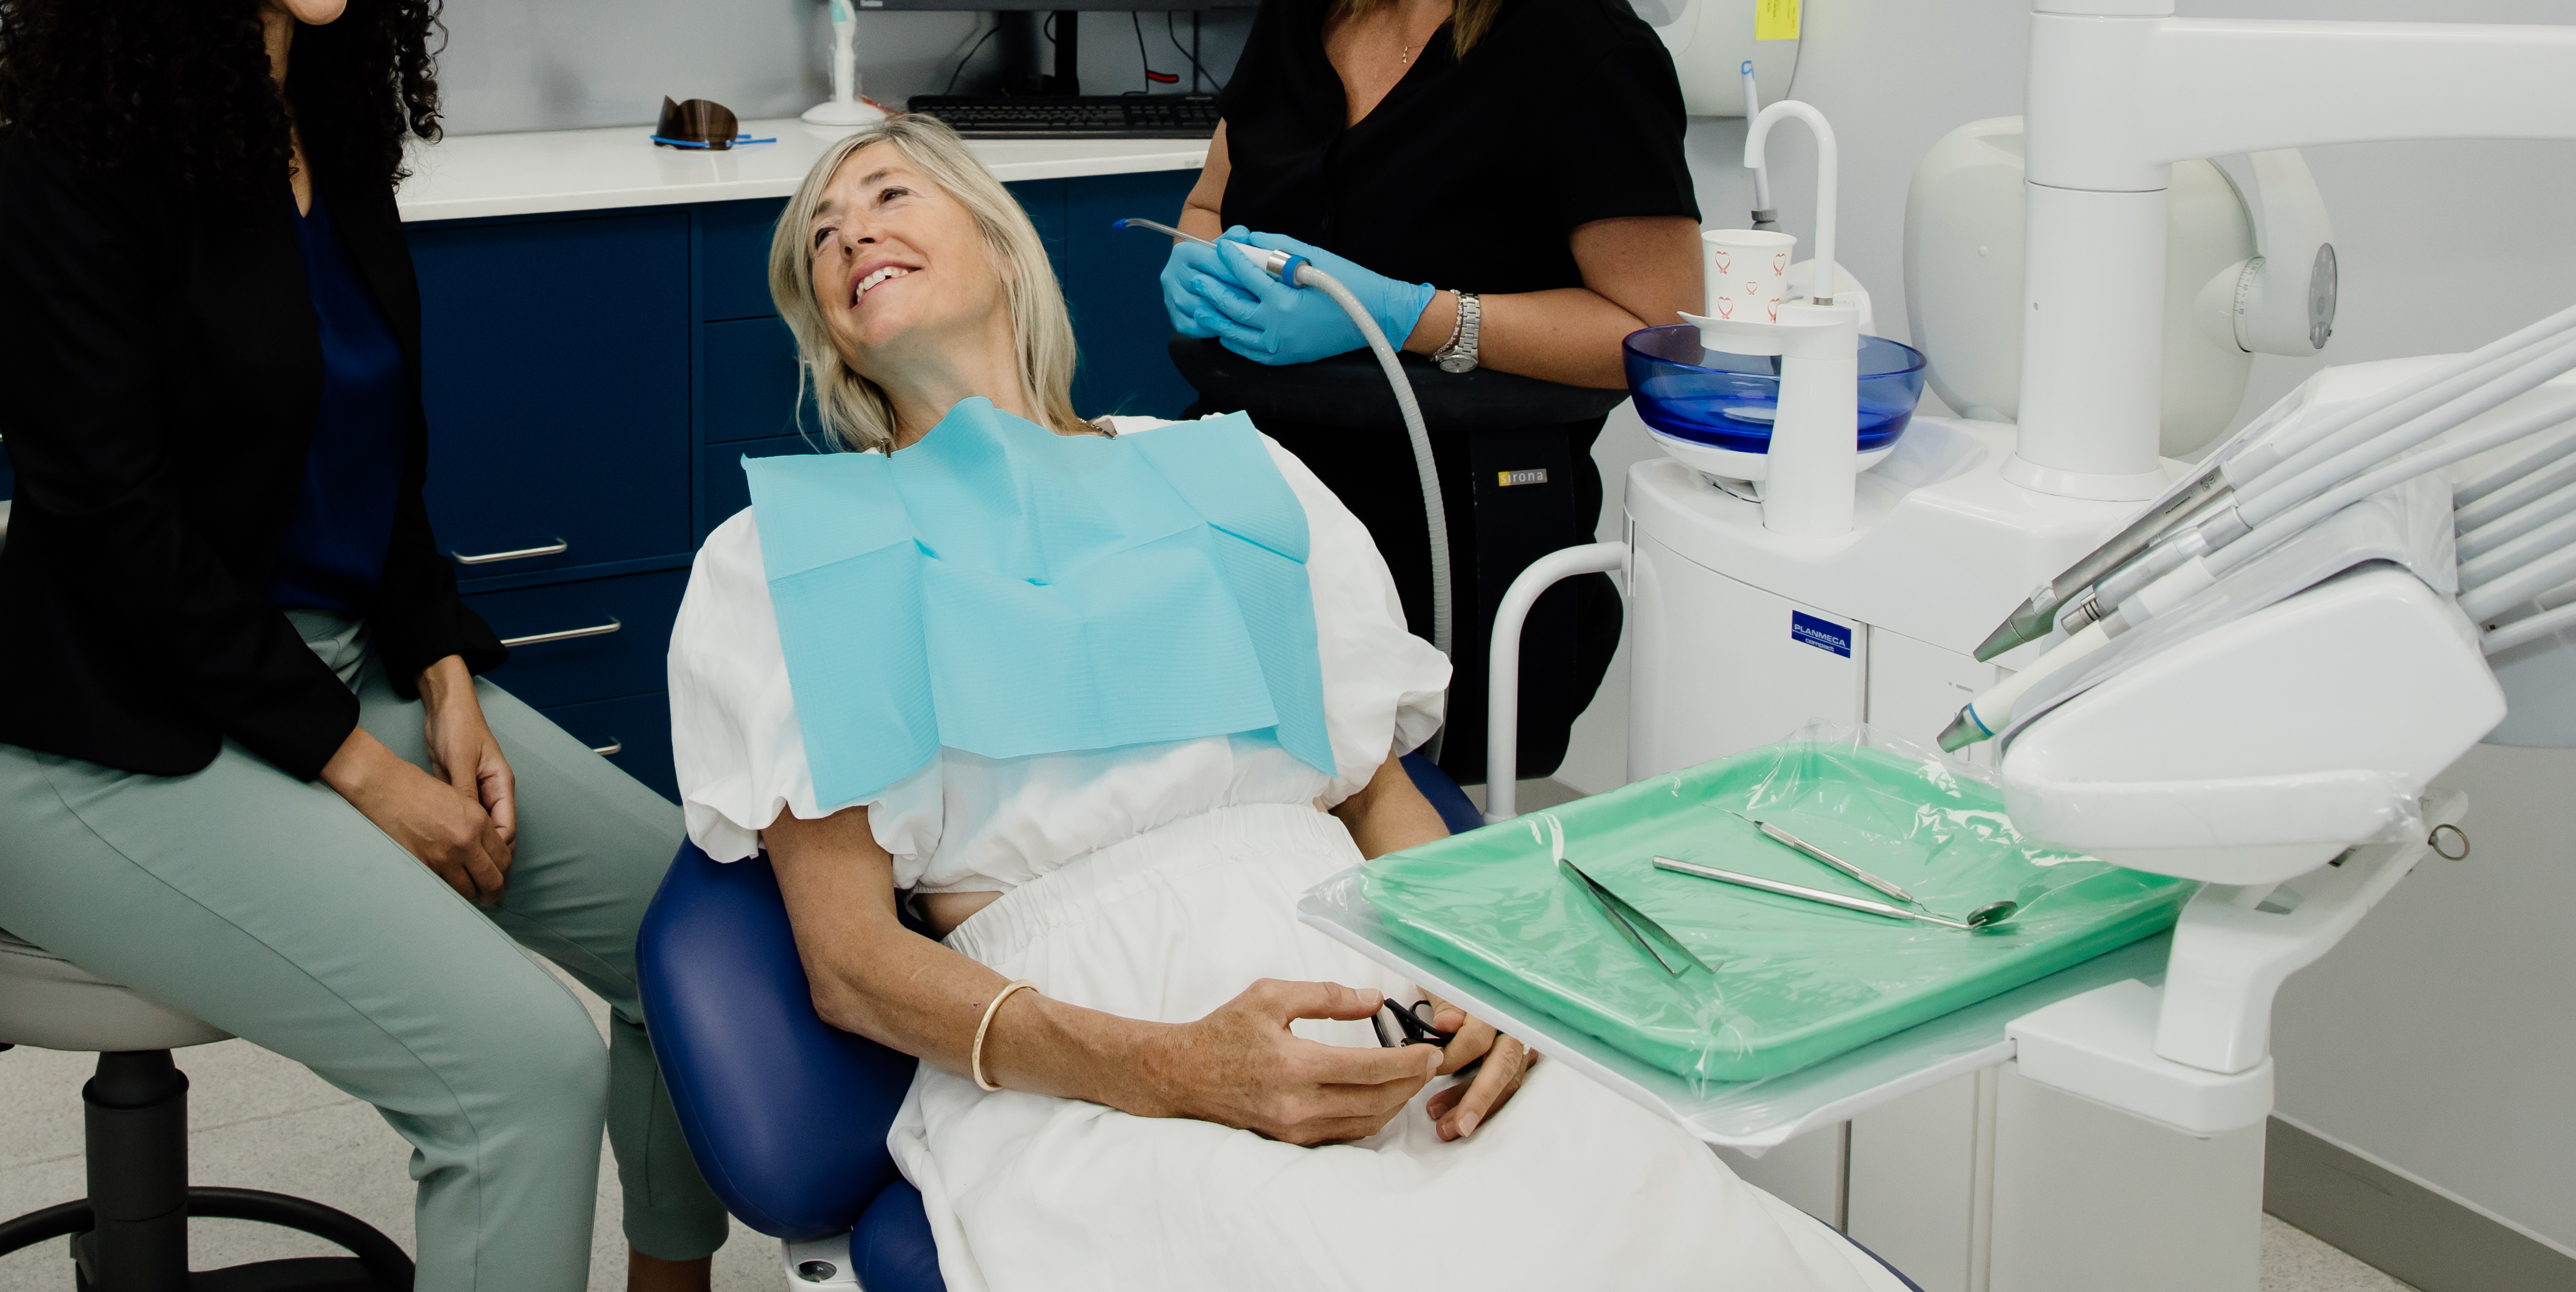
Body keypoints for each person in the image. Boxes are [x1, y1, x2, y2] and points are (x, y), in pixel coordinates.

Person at [667, 119, 1889, 1291]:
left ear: (997, 241)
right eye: (818, 236)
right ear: (829, 333)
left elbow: (1381, 797)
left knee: (1664, 1233)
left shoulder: (1232, 475)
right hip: (1088, 1037)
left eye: (887, 195)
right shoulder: (797, 556)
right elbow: (853, 967)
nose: (848, 235)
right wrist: (1174, 1066)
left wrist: (1500, 978)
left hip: (1366, 965)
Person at [0, 0, 722, 1292]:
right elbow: (117, 531)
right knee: (520, 1071)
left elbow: (373, 456)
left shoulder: (330, 118)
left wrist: (444, 670)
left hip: (340, 676)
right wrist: (367, 770)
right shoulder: (85, 157)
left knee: (703, 943)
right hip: (100, 746)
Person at [1160, 0, 1700, 791]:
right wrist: (1193, 260)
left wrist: (1415, 317)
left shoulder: (1581, 53)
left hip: (1450, 540)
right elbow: (1216, 194)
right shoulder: (1313, 1)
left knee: (1379, 842)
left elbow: (1659, 332)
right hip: (1247, 506)